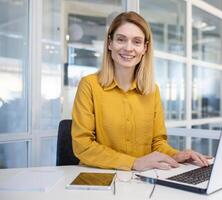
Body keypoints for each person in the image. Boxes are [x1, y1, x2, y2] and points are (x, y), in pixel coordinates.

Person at [71, 11, 211, 171]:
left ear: (145, 48)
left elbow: (157, 143)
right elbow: (83, 146)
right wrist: (133, 163)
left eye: (136, 42)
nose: (128, 48)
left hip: (141, 180)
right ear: (110, 43)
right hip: (100, 178)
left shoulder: (152, 90)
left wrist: (176, 155)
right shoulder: (89, 85)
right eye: (121, 39)